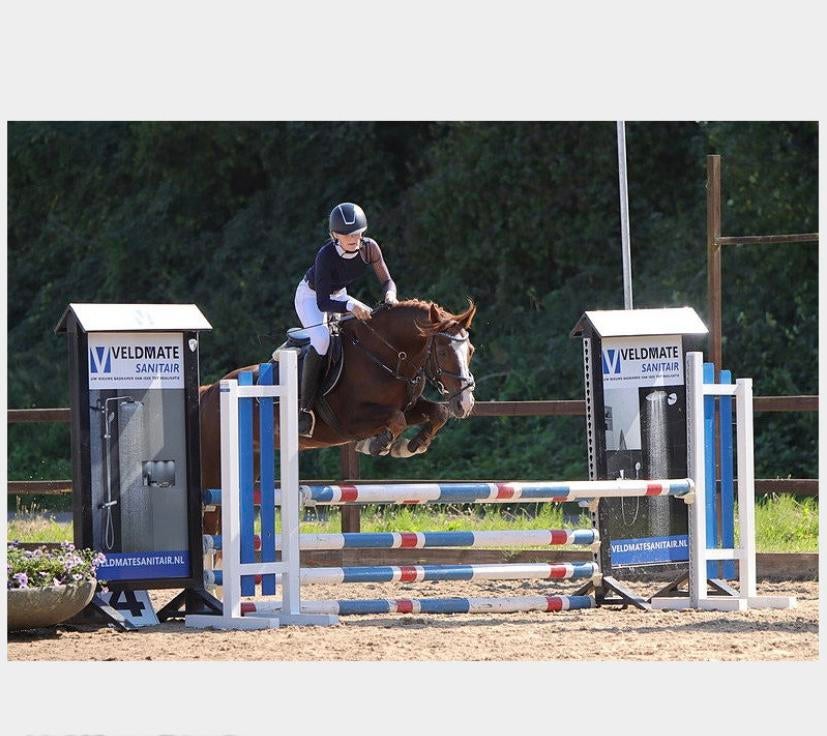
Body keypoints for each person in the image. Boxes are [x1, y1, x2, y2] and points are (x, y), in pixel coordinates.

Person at [294, 202, 398, 437]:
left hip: (339, 295)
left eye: (357, 233)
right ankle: (305, 408)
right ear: (334, 235)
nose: (352, 238)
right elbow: (323, 303)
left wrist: (390, 296)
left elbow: (387, 281)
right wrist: (352, 304)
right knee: (321, 341)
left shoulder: (370, 248)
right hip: (311, 297)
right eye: (346, 234)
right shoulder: (326, 255)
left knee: (372, 329)